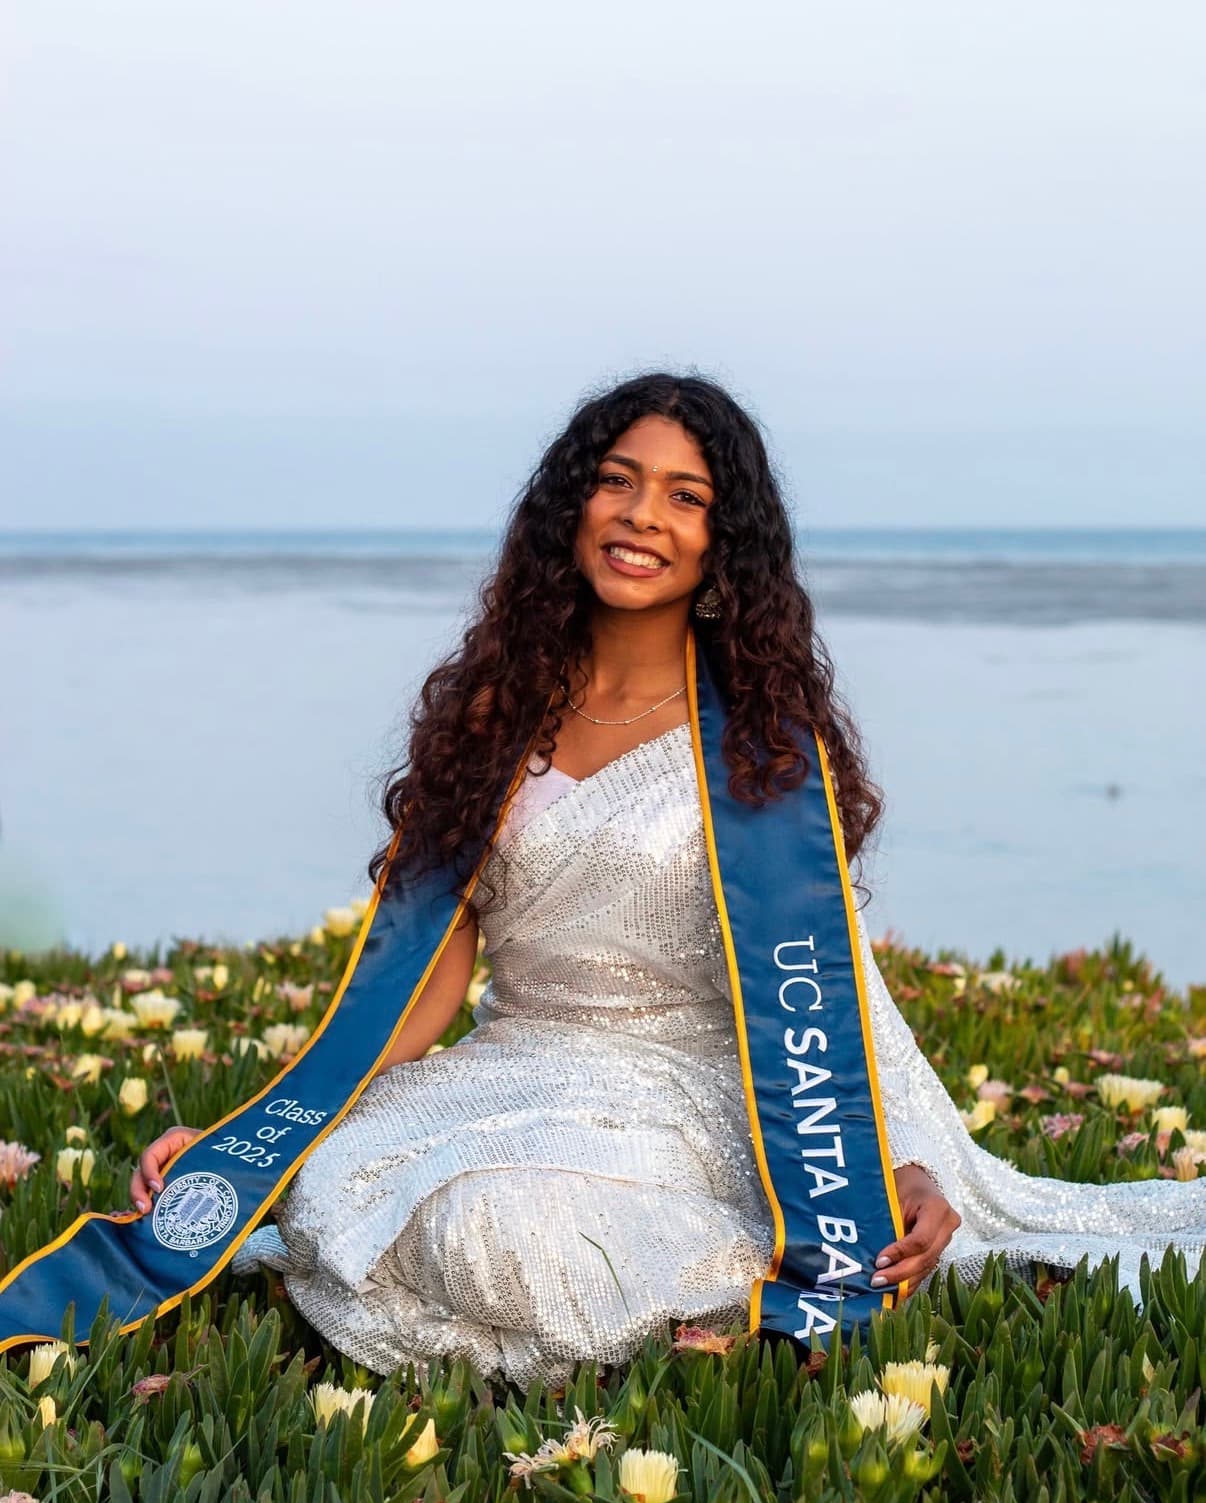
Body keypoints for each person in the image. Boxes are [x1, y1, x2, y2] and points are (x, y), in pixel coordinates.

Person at [130, 373, 1205, 1390]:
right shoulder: (490, 721)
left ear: (722, 542)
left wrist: (899, 1167)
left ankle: (678, 1289)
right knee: (334, 1185)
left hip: (698, 1092)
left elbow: (827, 991)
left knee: (499, 1229)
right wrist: (250, 1138)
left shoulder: (762, 755)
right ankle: (599, 1318)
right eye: (617, 480)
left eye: (685, 496)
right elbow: (427, 986)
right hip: (518, 1067)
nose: (644, 514)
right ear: (572, 507)